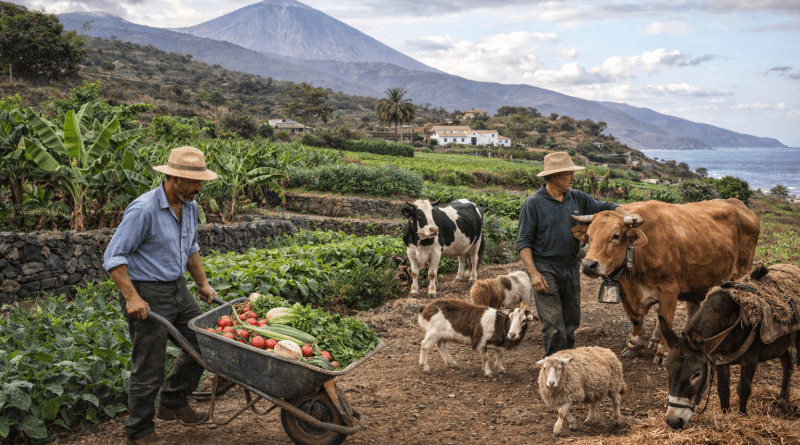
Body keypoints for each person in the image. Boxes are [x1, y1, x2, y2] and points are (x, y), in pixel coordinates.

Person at [103, 146, 219, 445]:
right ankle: (139, 430)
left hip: (178, 288)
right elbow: (114, 258)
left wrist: (203, 284)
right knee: (149, 364)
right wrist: (132, 298)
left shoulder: (190, 206)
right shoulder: (144, 210)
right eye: (194, 182)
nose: (199, 188)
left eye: (201, 181)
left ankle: (173, 400)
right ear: (173, 178)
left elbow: (190, 248)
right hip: (147, 292)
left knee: (205, 341)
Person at [516, 152, 633, 357]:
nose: (573, 178)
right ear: (554, 176)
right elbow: (523, 242)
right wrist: (534, 273)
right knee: (553, 325)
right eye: (569, 174)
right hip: (545, 268)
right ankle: (553, 363)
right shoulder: (533, 204)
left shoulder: (577, 197)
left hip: (570, 266)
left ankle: (567, 361)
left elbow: (607, 206)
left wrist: (626, 215)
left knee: (571, 320)